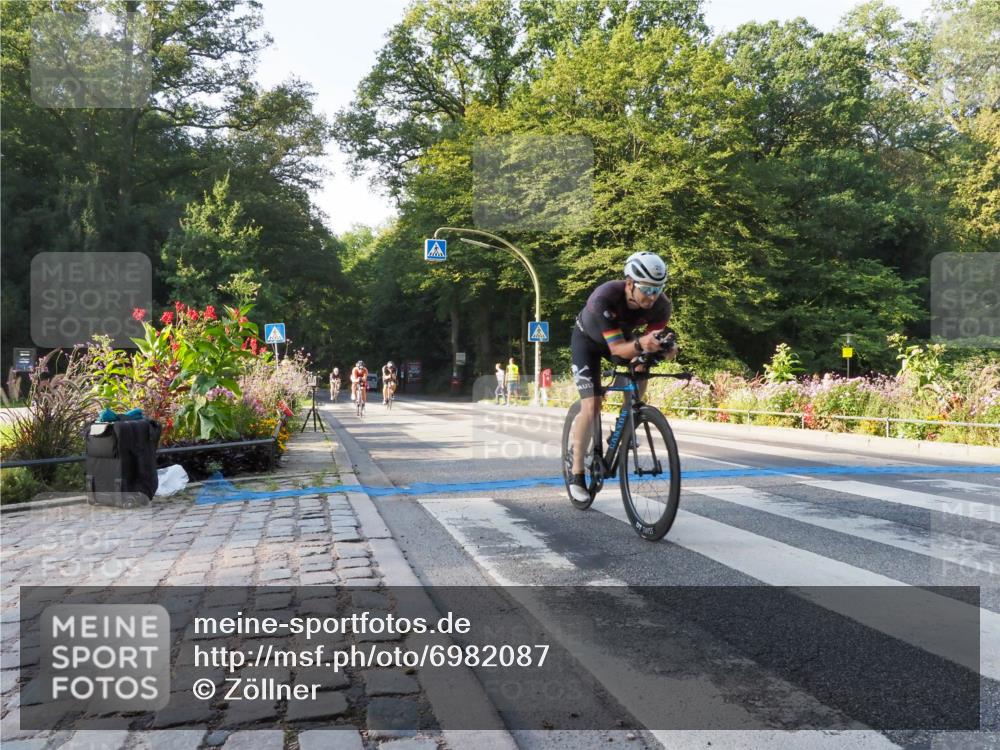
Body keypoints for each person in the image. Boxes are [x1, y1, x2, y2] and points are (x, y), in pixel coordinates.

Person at [567, 251, 678, 502]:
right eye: (647, 289)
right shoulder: (604, 297)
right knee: (592, 405)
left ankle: (629, 419)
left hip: (621, 339)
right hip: (589, 342)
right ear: (630, 283)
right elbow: (618, 349)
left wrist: (666, 348)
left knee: (643, 364)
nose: (652, 296)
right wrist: (643, 345)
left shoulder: (661, 305)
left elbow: (654, 341)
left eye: (658, 289)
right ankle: (576, 474)